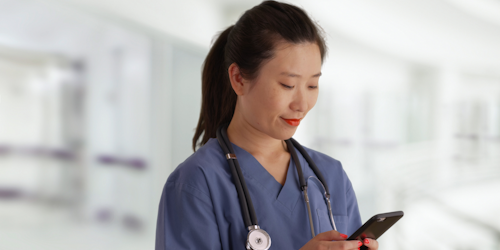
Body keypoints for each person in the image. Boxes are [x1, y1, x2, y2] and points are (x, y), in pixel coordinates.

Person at [155, 1, 379, 249]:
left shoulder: (330, 176)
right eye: (287, 85)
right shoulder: (197, 182)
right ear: (239, 79)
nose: (302, 104)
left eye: (312, 85)